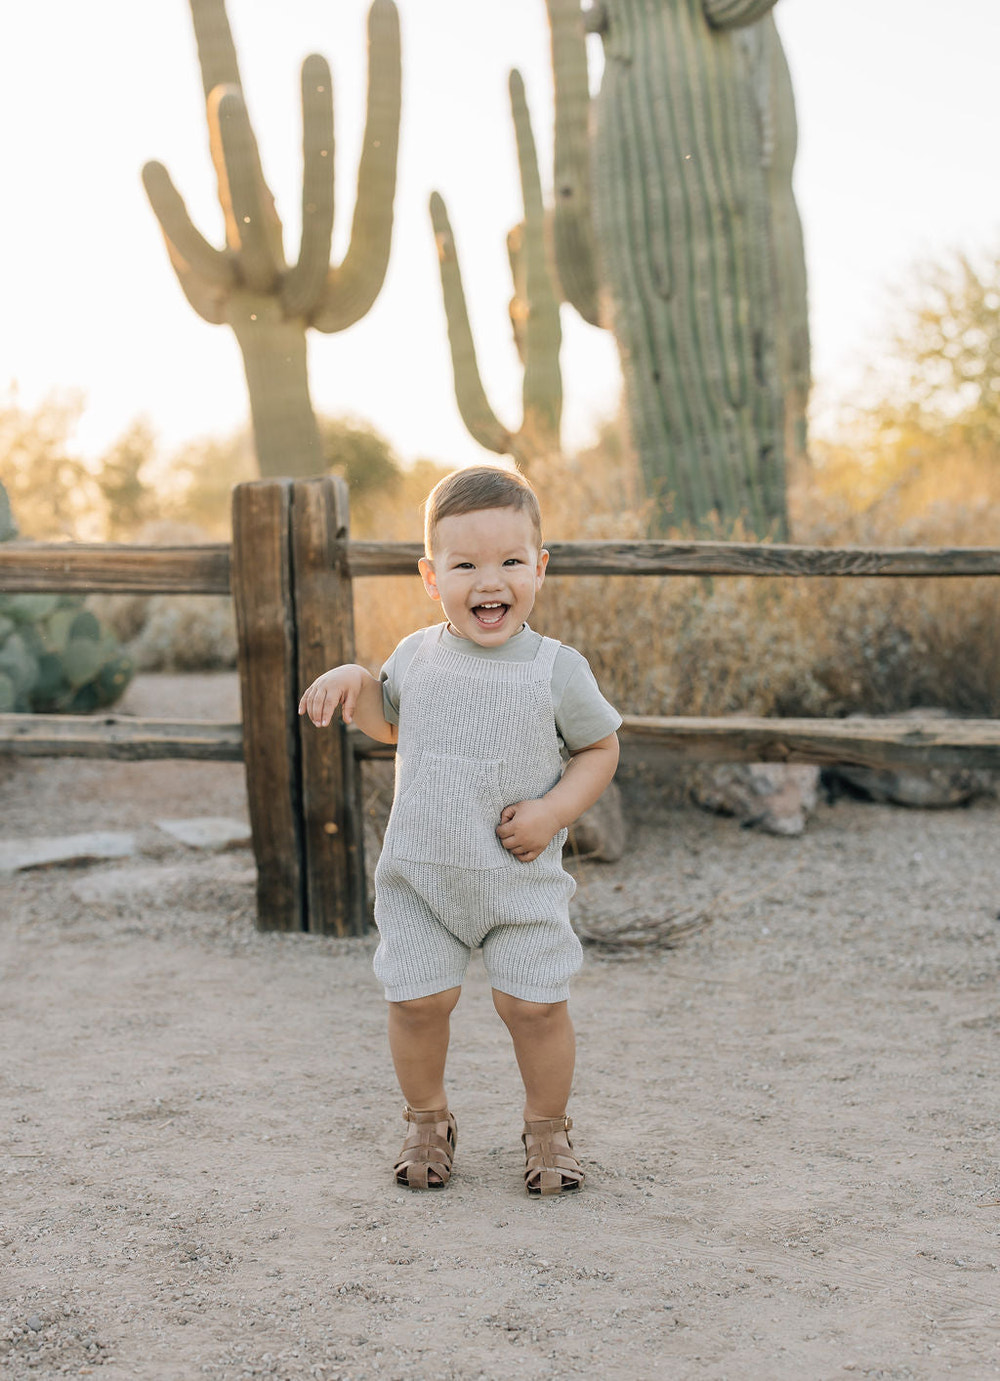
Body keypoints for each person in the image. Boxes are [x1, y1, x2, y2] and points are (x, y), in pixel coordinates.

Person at [298, 466, 621, 1195]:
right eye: (465, 563)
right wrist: (356, 678)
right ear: (429, 575)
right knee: (416, 1003)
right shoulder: (415, 656)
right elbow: (388, 723)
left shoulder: (556, 670)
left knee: (534, 1007)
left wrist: (552, 812)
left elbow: (601, 750)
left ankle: (547, 1129)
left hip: (518, 877)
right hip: (424, 878)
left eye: (510, 561)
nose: (490, 581)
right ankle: (427, 1118)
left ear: (539, 567)